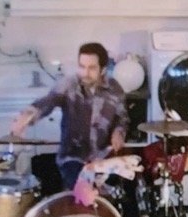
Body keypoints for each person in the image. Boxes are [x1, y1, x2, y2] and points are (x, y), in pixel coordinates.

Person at [9, 42, 128, 191]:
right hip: (73, 158)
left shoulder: (115, 89)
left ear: (103, 69)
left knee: (117, 192)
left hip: (103, 157)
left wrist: (119, 131)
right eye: (82, 66)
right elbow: (48, 101)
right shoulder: (69, 84)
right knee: (83, 195)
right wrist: (26, 116)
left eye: (91, 68)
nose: (85, 72)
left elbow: (122, 117)